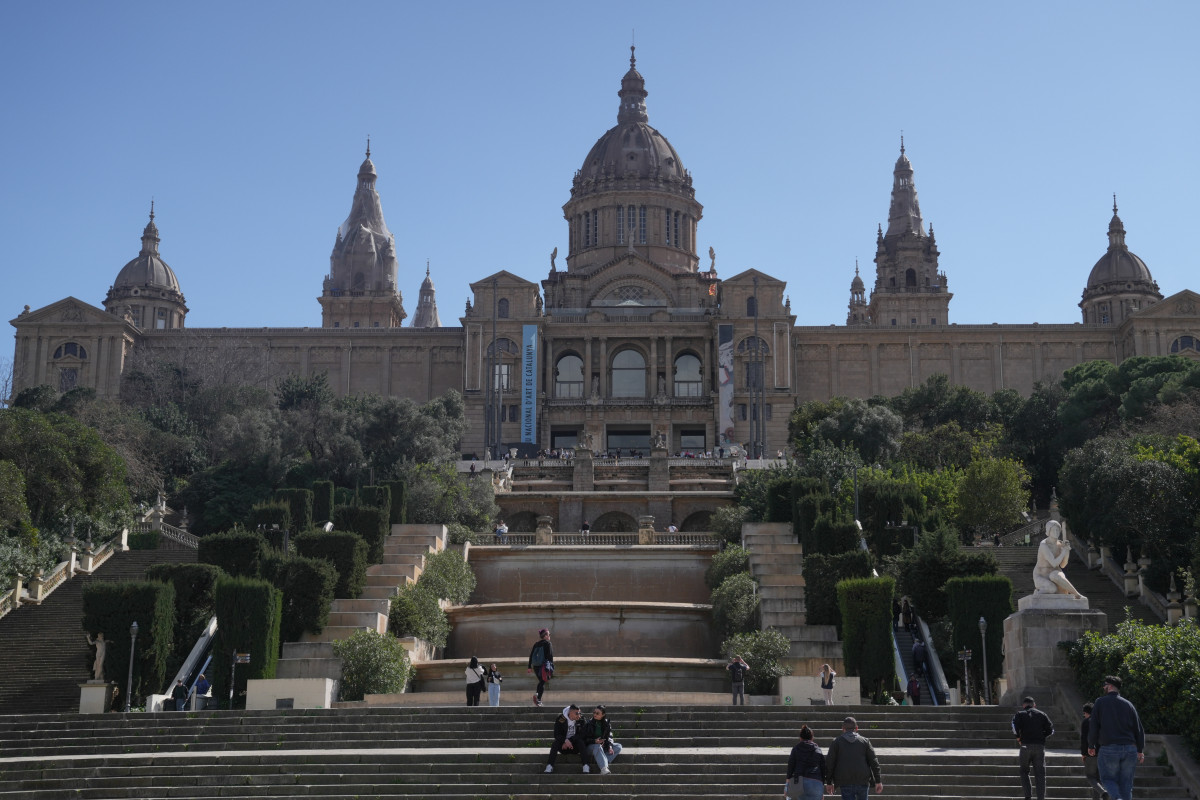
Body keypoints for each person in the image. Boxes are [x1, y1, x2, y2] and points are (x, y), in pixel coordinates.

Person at [1087, 675, 1145, 800]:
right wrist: (1140, 749)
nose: (1103, 687)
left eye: (1105, 685)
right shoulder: (1128, 704)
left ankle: (1116, 798)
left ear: (1110, 686)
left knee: (1108, 779)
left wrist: (1091, 745)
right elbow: (1138, 729)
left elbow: (1094, 726)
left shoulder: (1100, 702)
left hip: (1109, 748)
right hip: (1130, 749)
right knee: (1126, 784)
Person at [825, 716, 883, 798]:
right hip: (863, 780)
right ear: (856, 728)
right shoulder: (865, 741)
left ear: (843, 728)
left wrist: (829, 782)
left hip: (845, 780)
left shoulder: (836, 742)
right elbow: (874, 761)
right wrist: (878, 780)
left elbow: (830, 763)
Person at [1012, 695, 1055, 800]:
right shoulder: (1042, 714)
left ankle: (1028, 796)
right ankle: (1041, 797)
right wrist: (1042, 736)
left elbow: (1014, 726)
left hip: (1025, 745)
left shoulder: (1019, 714)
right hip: (1039, 747)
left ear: (1024, 705)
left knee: (1024, 771)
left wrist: (1018, 738)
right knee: (1040, 773)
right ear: (1034, 705)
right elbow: (1051, 730)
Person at [786, 724, 827, 800]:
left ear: (800, 738)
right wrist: (821, 786)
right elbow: (823, 769)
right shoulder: (817, 750)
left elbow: (790, 766)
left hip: (799, 782)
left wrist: (787, 784)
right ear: (812, 737)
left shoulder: (796, 749)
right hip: (815, 782)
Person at [544, 704, 587, 773]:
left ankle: (586, 766)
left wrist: (570, 740)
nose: (579, 715)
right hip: (563, 746)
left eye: (579, 713)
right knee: (555, 743)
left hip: (575, 746)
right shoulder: (561, 719)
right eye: (576, 713)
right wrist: (565, 741)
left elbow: (582, 734)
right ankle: (550, 766)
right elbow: (556, 734)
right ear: (570, 712)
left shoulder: (581, 719)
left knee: (581, 742)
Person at [1080, 702, 1109, 800]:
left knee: (1090, 776)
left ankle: (1103, 792)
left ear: (1086, 712)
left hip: (1091, 753)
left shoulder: (1086, 722)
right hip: (1102, 753)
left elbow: (1084, 739)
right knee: (1098, 778)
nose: (1084, 715)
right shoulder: (1101, 721)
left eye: (1084, 713)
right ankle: (1098, 796)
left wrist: (1083, 753)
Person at [583, 705, 622, 775]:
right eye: (594, 712)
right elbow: (584, 739)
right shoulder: (589, 723)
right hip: (591, 746)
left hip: (602, 746)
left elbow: (609, 737)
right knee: (597, 746)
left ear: (603, 715)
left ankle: (602, 760)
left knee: (618, 746)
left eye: (597, 713)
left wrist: (610, 747)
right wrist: (594, 741)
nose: (595, 714)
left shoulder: (607, 723)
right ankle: (603, 768)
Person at [527, 628, 554, 707]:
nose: (549, 636)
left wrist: (529, 667)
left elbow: (531, 655)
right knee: (542, 681)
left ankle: (538, 698)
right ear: (545, 636)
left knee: (541, 681)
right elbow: (550, 656)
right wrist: (550, 667)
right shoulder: (548, 643)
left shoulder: (536, 644)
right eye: (549, 634)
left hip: (536, 666)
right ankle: (538, 698)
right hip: (544, 665)